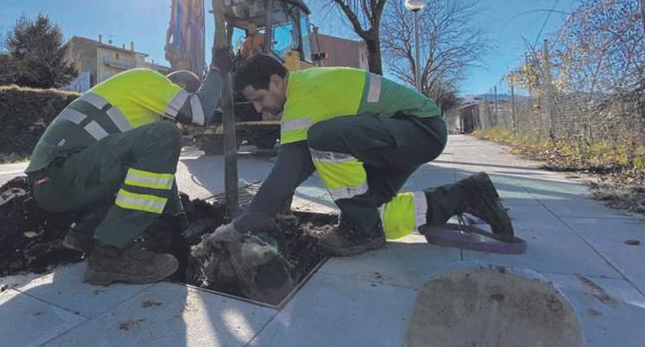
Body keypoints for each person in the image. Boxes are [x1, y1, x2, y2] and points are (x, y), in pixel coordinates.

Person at [209, 54, 514, 256]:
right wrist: (275, 201)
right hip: (400, 134)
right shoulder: (305, 88)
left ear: (277, 81)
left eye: (259, 99)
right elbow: (292, 170)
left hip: (419, 129)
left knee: (322, 138)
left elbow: (291, 165)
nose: (260, 109)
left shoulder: (304, 92)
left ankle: (362, 229)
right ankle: (470, 195)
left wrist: (242, 223)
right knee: (376, 215)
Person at [25, 47, 234, 284]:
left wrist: (179, 222)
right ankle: (109, 253)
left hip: (54, 180)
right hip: (59, 175)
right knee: (166, 135)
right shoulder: (147, 79)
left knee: (152, 151)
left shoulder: (137, 110)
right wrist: (217, 70)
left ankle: (84, 232)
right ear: (176, 90)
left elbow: (158, 176)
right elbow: (198, 112)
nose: (177, 118)